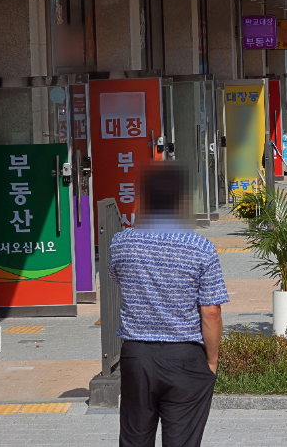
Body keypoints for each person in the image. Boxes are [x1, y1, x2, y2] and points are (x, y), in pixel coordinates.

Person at [109, 163, 229, 447]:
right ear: (181, 201)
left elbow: (118, 280)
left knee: (134, 440)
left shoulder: (121, 243)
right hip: (185, 357)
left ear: (144, 199)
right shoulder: (201, 247)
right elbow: (211, 312)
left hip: (136, 356)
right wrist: (211, 361)